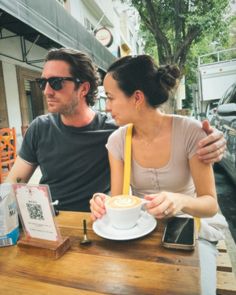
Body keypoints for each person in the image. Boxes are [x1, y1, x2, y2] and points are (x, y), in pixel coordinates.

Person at [6, 48, 225, 212]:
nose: (46, 91)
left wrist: (215, 140)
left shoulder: (112, 130)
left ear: (83, 88)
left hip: (106, 229)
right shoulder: (41, 128)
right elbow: (13, 185)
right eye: (42, 82)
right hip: (52, 222)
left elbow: (209, 200)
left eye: (55, 82)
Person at [90, 55, 222, 295]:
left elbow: (210, 204)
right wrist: (103, 202)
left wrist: (181, 200)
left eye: (110, 97)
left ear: (137, 97)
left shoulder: (191, 132)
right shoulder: (117, 141)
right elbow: (118, 198)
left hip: (190, 232)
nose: (107, 107)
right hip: (142, 234)